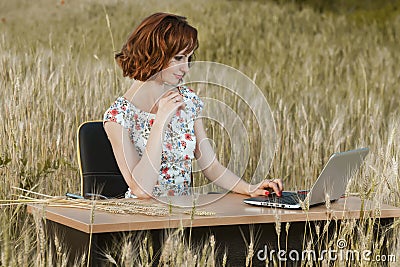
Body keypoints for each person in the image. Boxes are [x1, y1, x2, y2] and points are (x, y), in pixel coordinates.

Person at [103, 12, 283, 199]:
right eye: (179, 58)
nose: (186, 68)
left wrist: (249, 188)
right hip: (144, 217)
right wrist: (161, 121)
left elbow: (211, 166)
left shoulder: (187, 100)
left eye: (188, 58)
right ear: (154, 53)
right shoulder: (118, 116)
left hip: (186, 216)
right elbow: (141, 190)